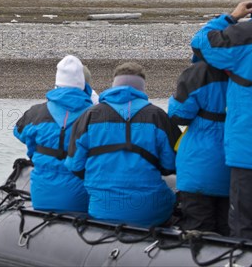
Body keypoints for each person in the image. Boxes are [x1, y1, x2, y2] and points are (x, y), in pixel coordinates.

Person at [190, 0, 252, 242]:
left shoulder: (242, 36)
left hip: (251, 150)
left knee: (246, 228)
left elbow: (200, 44)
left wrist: (230, 17)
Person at [65, 62, 180, 227]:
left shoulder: (89, 116)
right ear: (142, 87)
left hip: (102, 209)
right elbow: (170, 165)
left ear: (114, 85)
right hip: (150, 212)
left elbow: (75, 165)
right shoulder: (158, 116)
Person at [13, 55, 94, 212]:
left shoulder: (36, 113)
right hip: (80, 200)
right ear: (82, 85)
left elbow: (18, 131)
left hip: (41, 197)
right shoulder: (95, 116)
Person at [168, 61, 229, 235]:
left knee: (199, 231)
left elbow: (178, 114)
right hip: (238, 164)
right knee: (232, 230)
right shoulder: (246, 66)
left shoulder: (198, 72)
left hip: (198, 167)